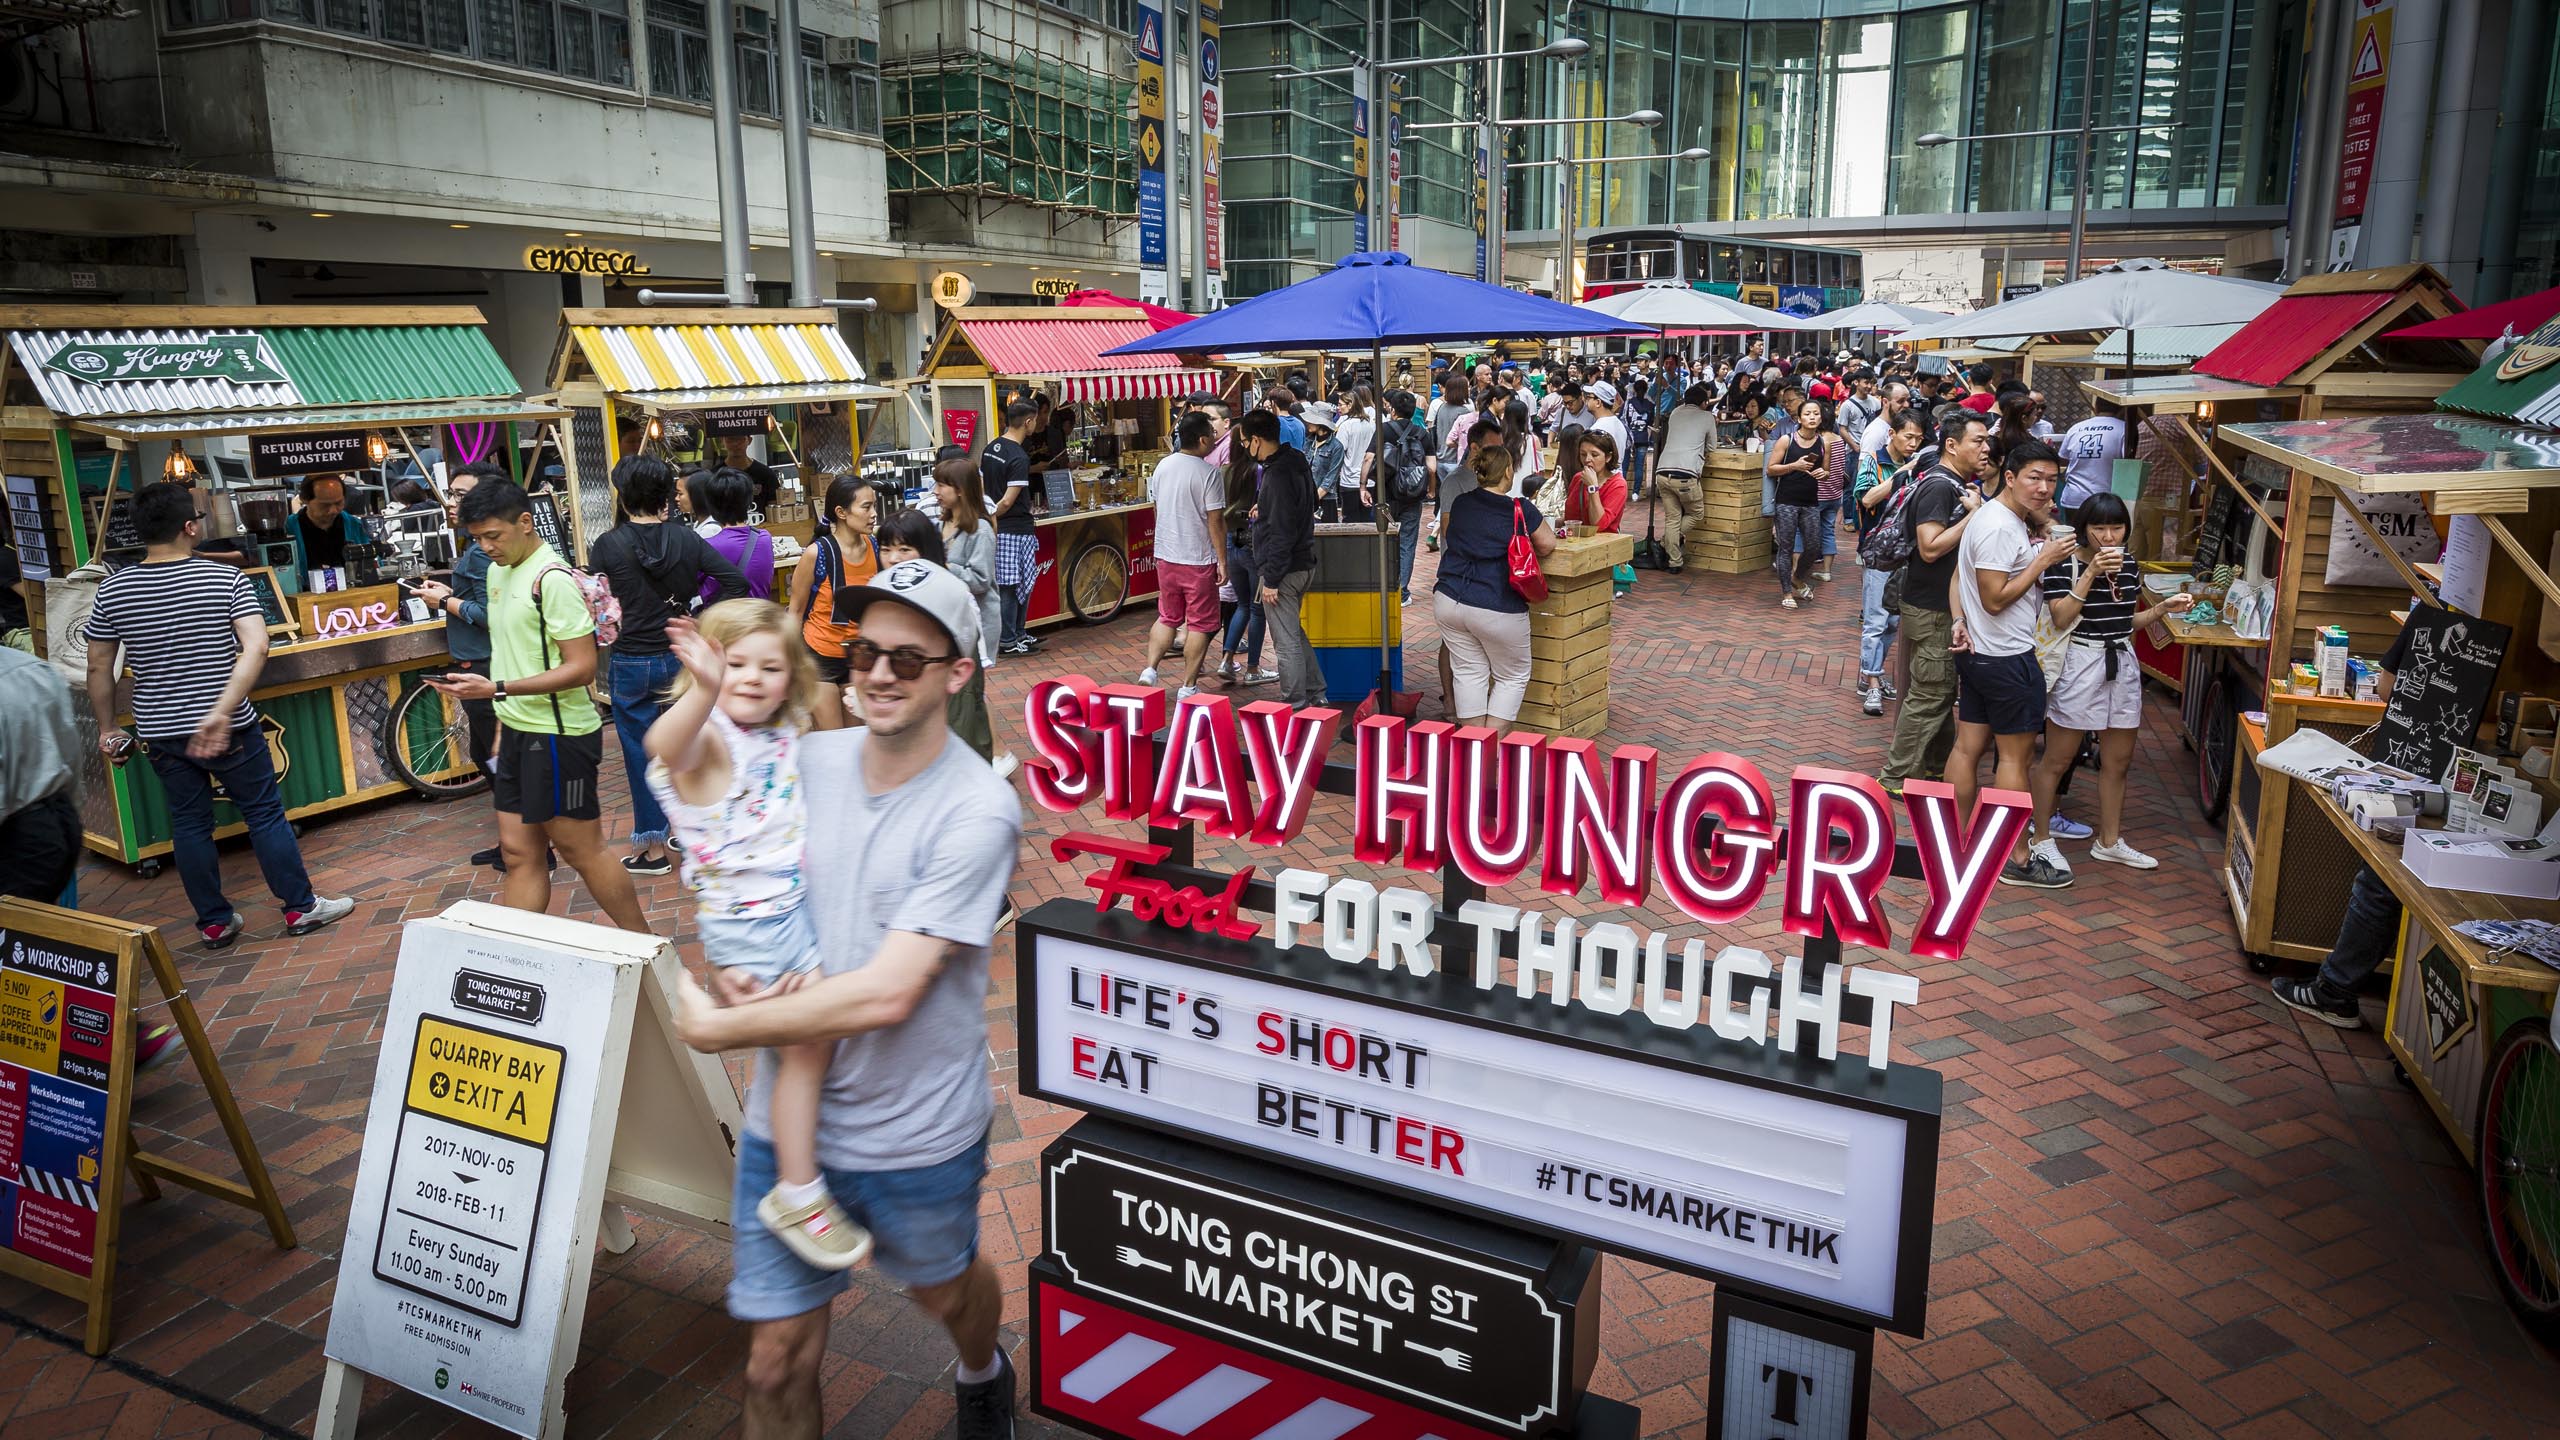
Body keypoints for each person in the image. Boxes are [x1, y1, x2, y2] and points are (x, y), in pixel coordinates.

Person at [672, 559, 1023, 1440]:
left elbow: (887, 993)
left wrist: (724, 1024)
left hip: (914, 1131)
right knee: (773, 1361)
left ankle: (983, 1365)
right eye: (866, 652)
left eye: (908, 659)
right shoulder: (801, 760)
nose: (878, 674)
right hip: (788, 1128)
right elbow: (732, 867)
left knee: (946, 1295)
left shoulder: (978, 809)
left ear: (958, 672)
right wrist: (732, 962)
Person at [648, 598, 871, 1271]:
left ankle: (805, 1169)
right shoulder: (710, 739)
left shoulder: (776, 729)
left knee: (815, 1047)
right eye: (734, 663)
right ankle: (797, 1193)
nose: (750, 677)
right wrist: (705, 689)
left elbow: (813, 728)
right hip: (754, 927)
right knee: (806, 1049)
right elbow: (665, 746)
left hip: (784, 916)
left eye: (769, 667)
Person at [85, 483, 353, 946]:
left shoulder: (113, 588)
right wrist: (220, 711)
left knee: (190, 824)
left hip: (160, 730)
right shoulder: (223, 578)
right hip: (229, 725)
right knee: (264, 814)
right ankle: (300, 908)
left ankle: (214, 921)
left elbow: (97, 666)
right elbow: (257, 646)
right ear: (190, 527)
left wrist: (108, 728)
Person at [428, 480, 651, 933]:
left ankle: (650, 949)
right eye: (477, 538)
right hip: (517, 731)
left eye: (494, 535)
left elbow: (582, 668)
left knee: (581, 850)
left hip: (560, 737)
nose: (486, 547)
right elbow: (512, 651)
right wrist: (502, 723)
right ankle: (513, 957)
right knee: (518, 853)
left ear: (526, 522)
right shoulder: (497, 572)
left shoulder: (551, 580)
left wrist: (496, 689)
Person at [586, 455, 751, 876]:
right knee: (690, 745)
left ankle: (653, 850)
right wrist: (699, 618)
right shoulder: (686, 538)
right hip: (681, 657)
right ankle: (693, 831)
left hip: (631, 659)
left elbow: (598, 603)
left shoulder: (607, 545)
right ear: (665, 496)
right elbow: (735, 582)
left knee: (640, 754)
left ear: (623, 496)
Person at [2024, 491, 2196, 878]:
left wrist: (2161, 609)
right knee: (2057, 758)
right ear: (2083, 529)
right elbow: (2061, 617)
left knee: (2118, 761)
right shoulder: (2064, 563)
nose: (2108, 536)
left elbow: (2125, 622)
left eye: (2116, 528)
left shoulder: (2129, 565)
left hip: (2121, 660)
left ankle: (2109, 841)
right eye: (2099, 528)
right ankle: (2041, 838)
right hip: (2080, 661)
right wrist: (2091, 573)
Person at [1940, 439, 2077, 889]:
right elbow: (1995, 599)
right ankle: (2015, 857)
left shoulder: (1994, 517)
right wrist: (2044, 560)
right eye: (2034, 478)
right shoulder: (2000, 526)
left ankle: (1955, 840)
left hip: (1980, 655)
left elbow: (1960, 579)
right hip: (2007, 658)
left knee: (1967, 748)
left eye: (2052, 480)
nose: (2044, 488)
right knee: (2015, 759)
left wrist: (1959, 620)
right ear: (2011, 477)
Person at [1879, 409, 1993, 795]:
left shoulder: (1953, 483)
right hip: (1932, 608)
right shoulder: (1940, 487)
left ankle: (1934, 767)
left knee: (1939, 691)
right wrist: (1974, 516)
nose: (1985, 448)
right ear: (1952, 445)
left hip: (1934, 606)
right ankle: (1896, 777)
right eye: (1978, 441)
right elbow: (1929, 548)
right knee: (1930, 693)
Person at [409, 464, 510, 869]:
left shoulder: (485, 552)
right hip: (481, 661)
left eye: (461, 495)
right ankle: (516, 841)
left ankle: (530, 844)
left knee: (497, 757)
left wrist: (445, 602)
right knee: (486, 752)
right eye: (451, 494)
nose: (452, 503)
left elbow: (493, 615)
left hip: (487, 664)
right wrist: (451, 592)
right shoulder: (477, 548)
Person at [1435, 445, 1557, 728]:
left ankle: (1474, 745)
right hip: (1496, 602)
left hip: (1449, 598)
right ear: (1507, 472)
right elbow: (1547, 544)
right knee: (1512, 675)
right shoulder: (1519, 509)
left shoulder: (1462, 503)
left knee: (1468, 672)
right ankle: (1490, 745)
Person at [1136, 413, 1228, 700]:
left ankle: (1150, 669)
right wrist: (1222, 560)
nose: (1214, 438)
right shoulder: (1209, 473)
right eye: (1212, 433)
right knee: (1200, 623)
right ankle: (1188, 685)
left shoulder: (1163, 465)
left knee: (1168, 616)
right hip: (1197, 558)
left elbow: (1156, 507)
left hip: (1166, 555)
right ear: (1202, 439)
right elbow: (1215, 521)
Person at [1243, 410, 1323, 711]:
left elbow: (1281, 533)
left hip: (1285, 570)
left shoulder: (1276, 475)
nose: (1245, 448)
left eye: (1245, 442)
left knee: (1285, 641)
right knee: (1294, 634)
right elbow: (1309, 501)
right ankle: (1316, 691)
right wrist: (1265, 507)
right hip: (1303, 562)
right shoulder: (1296, 459)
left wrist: (1272, 579)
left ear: (1256, 440)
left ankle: (1296, 702)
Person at [790, 476, 880, 733]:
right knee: (831, 737)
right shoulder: (816, 553)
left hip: (859, 658)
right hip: (820, 657)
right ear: (841, 512)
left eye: (874, 506)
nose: (874, 514)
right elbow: (795, 610)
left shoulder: (876, 547)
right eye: (866, 507)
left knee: (855, 737)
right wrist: (791, 661)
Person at [1853, 410, 1927, 716]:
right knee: (1876, 619)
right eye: (1908, 436)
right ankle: (1871, 682)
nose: (1913, 443)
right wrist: (1903, 473)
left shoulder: (1918, 464)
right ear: (1892, 434)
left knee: (1893, 621)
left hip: (1905, 551)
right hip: (1878, 551)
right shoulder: (1873, 460)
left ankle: (1872, 673)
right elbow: (1867, 499)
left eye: (1918, 438)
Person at [934, 461, 1005, 768]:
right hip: (950, 620)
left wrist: (944, 565)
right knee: (960, 691)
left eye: (942, 485)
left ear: (961, 490)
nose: (935, 491)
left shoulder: (981, 529)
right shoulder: (943, 523)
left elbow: (981, 579)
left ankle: (987, 756)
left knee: (970, 693)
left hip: (975, 624)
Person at [982, 400, 1041, 655]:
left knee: (1008, 584)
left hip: (999, 528)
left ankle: (1018, 634)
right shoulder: (1019, 457)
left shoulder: (990, 448)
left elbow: (984, 488)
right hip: (1014, 528)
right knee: (1014, 585)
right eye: (1035, 420)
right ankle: (1009, 639)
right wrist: (990, 515)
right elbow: (1007, 501)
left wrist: (986, 516)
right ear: (1028, 422)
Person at [1215, 441, 1275, 687]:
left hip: (1231, 541)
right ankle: (1253, 668)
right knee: (1257, 608)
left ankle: (1227, 660)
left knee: (1242, 604)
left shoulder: (1224, 471)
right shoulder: (1258, 470)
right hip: (1253, 544)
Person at [1767, 399, 1829, 607]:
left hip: (1811, 501)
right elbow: (1771, 469)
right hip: (1786, 500)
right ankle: (1786, 593)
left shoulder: (1824, 443)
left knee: (1813, 546)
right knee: (1786, 547)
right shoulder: (1787, 440)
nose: (1812, 417)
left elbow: (1826, 471)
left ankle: (1797, 577)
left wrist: (1823, 473)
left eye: (1816, 413)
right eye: (1807, 414)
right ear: (1799, 418)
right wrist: (1794, 465)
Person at [1651, 384, 1716, 575]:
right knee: (1696, 513)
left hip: (1662, 471)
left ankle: (1674, 561)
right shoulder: (1707, 417)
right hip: (1685, 474)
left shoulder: (1675, 413)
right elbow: (1712, 447)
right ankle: (1664, 542)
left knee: (1672, 518)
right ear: (1704, 402)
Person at [1381, 390, 1435, 605]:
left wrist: (1364, 486)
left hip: (1386, 495)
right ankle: (1402, 591)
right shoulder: (1422, 433)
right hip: (1413, 494)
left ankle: (1385, 585)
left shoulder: (1384, 429)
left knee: (1385, 539)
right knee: (1407, 542)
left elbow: (1368, 458)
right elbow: (1432, 467)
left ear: (1392, 410)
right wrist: (1431, 489)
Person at [696, 468, 777, 601]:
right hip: (759, 613)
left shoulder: (707, 546)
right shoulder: (764, 539)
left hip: (721, 614)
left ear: (711, 505)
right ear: (749, 502)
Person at [289, 474, 372, 587]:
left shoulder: (355, 526)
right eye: (325, 505)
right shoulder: (289, 530)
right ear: (304, 499)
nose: (333, 510)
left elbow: (371, 567)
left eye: (338, 503)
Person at [2056, 399, 2131, 522]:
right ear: (2122, 409)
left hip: (2074, 498)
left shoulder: (2076, 428)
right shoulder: (2124, 429)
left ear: (2096, 407)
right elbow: (2129, 464)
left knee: (2074, 533)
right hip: (2105, 501)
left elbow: (2063, 459)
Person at [1565, 430, 1628, 535]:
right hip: (1575, 539)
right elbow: (1570, 518)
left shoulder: (1618, 484)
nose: (1587, 459)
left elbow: (1598, 524)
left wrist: (1592, 487)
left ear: (1608, 457)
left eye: (1594, 455)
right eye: (1583, 454)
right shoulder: (1578, 479)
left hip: (1603, 541)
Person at [1333, 386, 1378, 524]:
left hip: (1349, 480)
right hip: (1369, 478)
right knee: (1367, 520)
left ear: (1350, 405)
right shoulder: (1370, 425)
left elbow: (1338, 451)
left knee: (1350, 521)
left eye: (1341, 404)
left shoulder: (1346, 426)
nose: (1338, 408)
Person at [716, 433, 782, 515]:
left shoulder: (766, 474)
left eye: (741, 439)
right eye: (730, 439)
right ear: (722, 441)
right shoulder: (714, 475)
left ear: (749, 440)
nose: (735, 443)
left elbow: (775, 508)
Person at [1303, 402, 1347, 523]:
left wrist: (1312, 500)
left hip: (1326, 500)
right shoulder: (1308, 442)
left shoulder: (1336, 447)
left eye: (1311, 420)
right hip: (1307, 497)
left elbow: (1330, 478)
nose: (1308, 422)